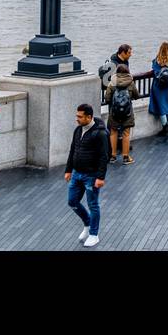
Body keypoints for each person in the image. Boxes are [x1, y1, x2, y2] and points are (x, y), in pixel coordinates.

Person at [64, 102, 108, 247]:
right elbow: (73, 150)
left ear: (89, 117)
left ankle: (94, 235)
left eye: (80, 116)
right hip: (77, 173)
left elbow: (104, 156)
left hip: (91, 175)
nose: (77, 119)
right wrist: (68, 170)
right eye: (77, 115)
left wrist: (100, 177)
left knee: (93, 205)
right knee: (72, 201)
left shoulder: (100, 133)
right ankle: (88, 224)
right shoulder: (78, 130)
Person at [104, 63, 139, 162]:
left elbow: (107, 99)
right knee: (126, 133)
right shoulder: (131, 83)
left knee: (113, 132)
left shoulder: (112, 83)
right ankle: (125, 157)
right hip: (127, 113)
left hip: (114, 113)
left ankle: (113, 156)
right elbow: (137, 96)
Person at [149, 41, 168, 136]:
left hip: (158, 87)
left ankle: (165, 128)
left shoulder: (156, 61)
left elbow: (155, 72)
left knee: (161, 107)